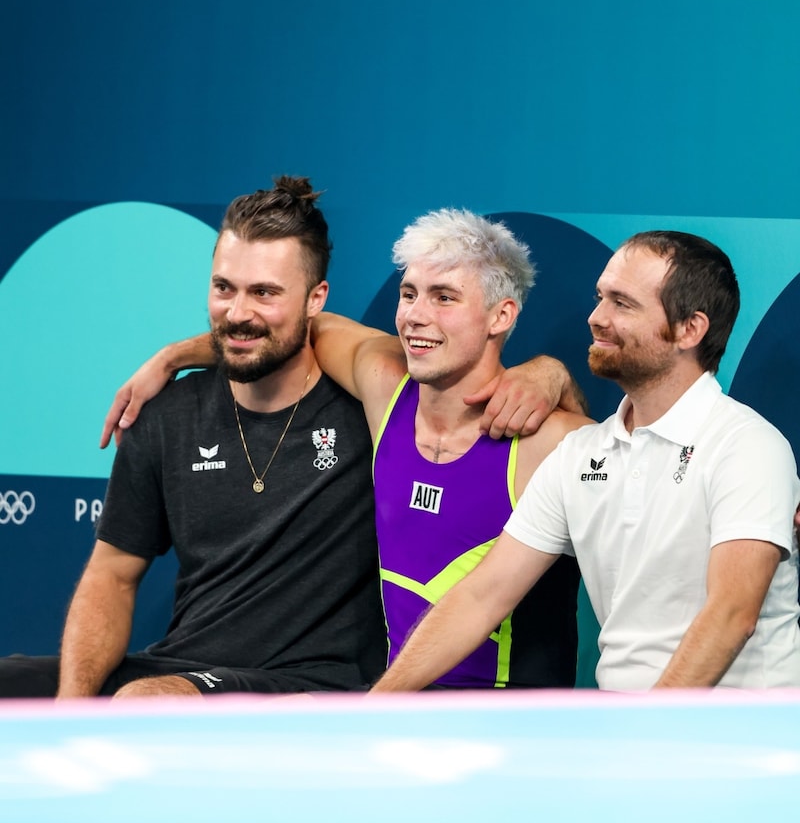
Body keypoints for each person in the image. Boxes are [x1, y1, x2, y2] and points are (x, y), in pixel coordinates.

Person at [0, 181, 575, 699]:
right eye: (410, 294)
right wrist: (176, 355)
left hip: (379, 694)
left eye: (444, 297)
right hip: (246, 680)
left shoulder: (402, 410)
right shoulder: (376, 389)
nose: (417, 316)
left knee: (146, 704)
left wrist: (553, 372)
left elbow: (582, 451)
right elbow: (281, 330)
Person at [370, 231, 800, 693]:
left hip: (742, 739)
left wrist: (647, 736)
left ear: (689, 330)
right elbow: (482, 596)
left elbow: (732, 616)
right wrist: (375, 705)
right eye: (600, 298)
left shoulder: (747, 445)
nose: (596, 318)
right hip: (627, 733)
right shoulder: (580, 454)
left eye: (622, 303)